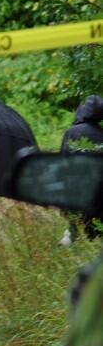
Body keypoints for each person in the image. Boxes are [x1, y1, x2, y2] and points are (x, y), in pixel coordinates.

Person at [60, 95, 103, 241]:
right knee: (95, 235)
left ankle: (72, 233)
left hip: (74, 195)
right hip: (98, 198)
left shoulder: (71, 133)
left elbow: (63, 164)